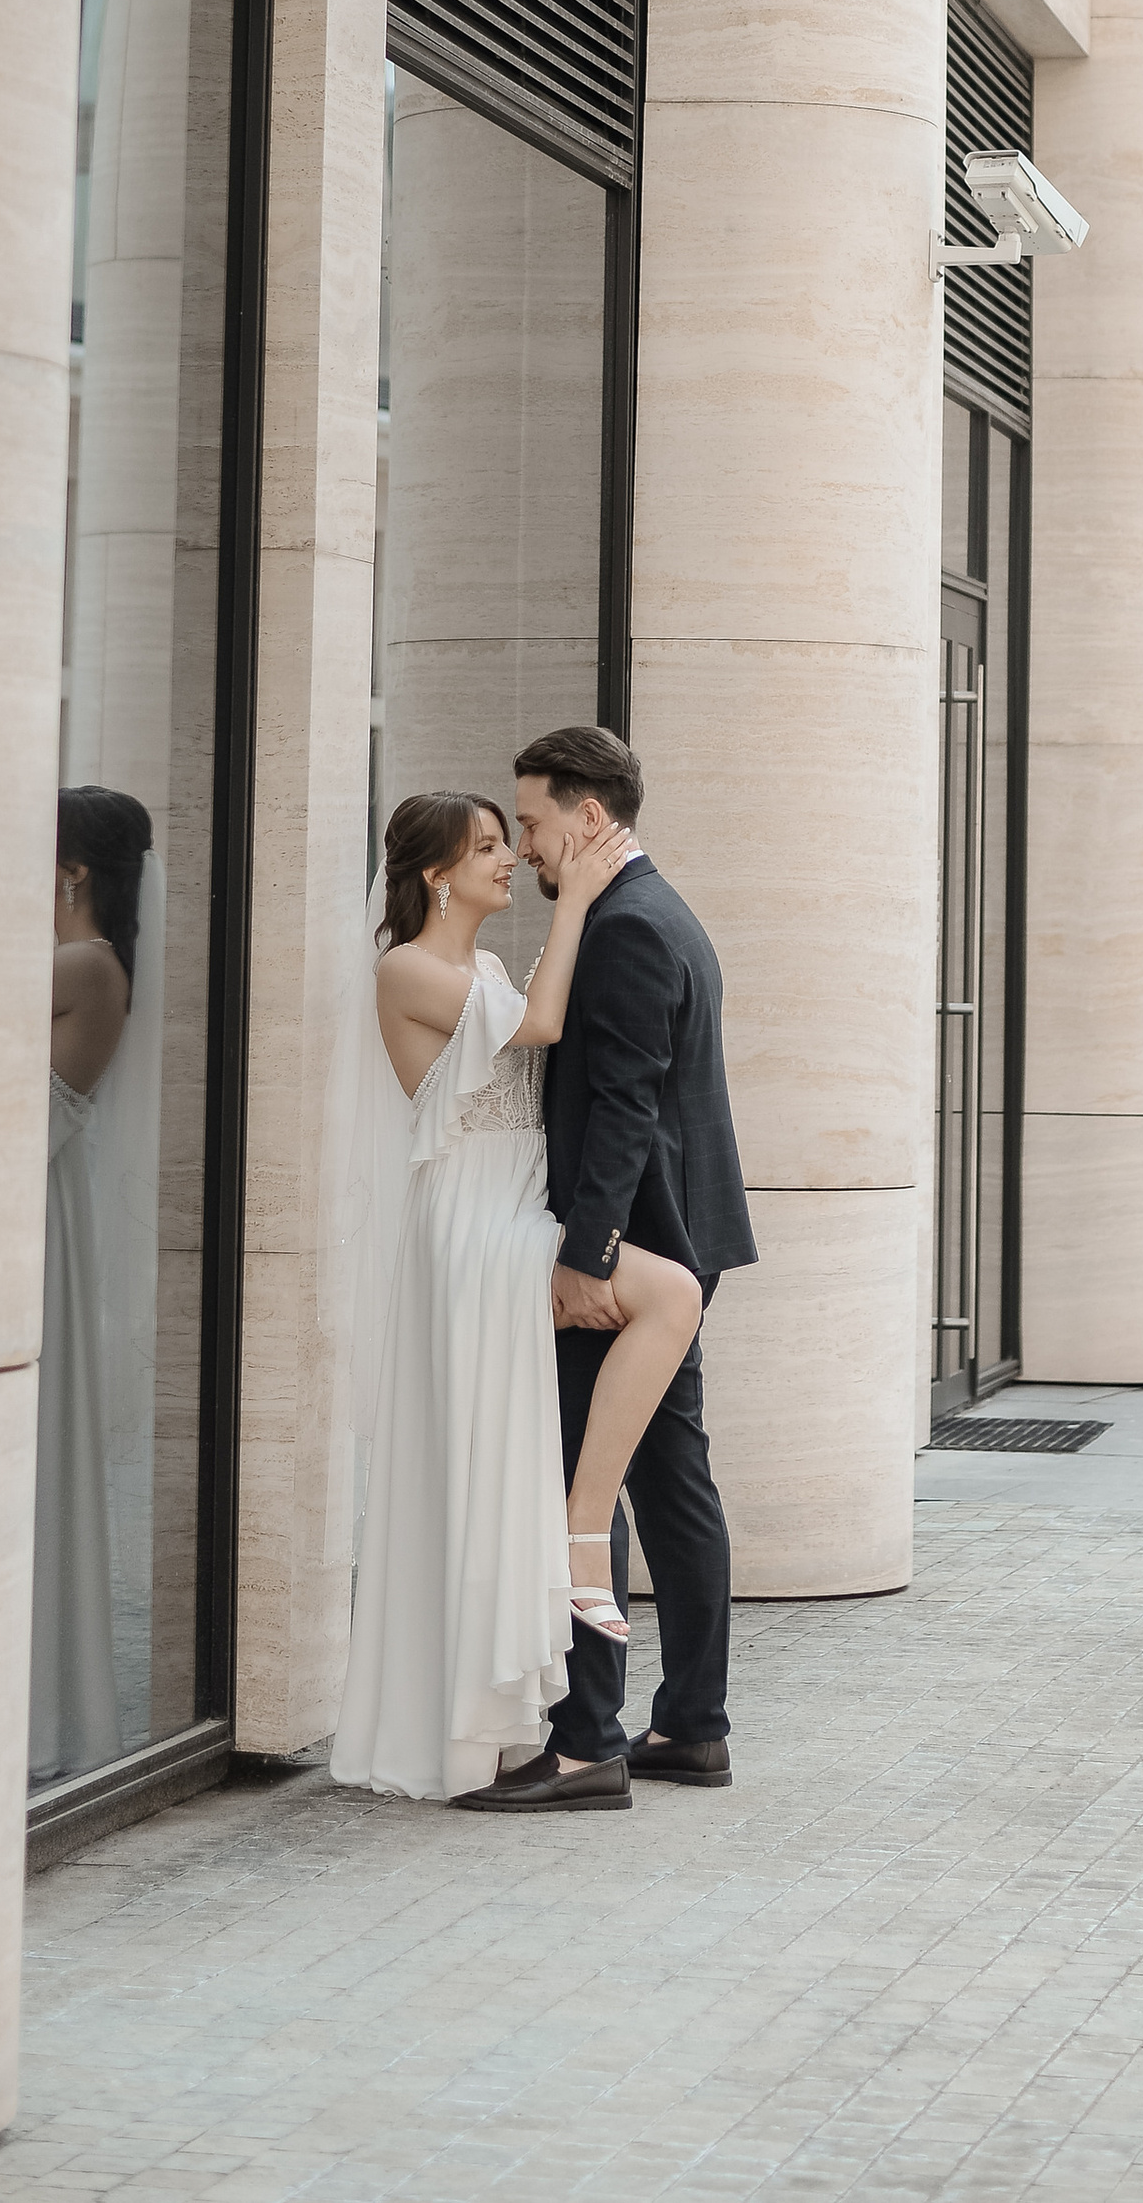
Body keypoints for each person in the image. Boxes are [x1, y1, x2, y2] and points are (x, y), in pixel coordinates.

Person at [327, 788, 704, 1804]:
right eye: (485, 848)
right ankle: (586, 1522)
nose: (506, 861)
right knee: (669, 1295)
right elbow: (541, 1027)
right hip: (472, 1223)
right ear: (432, 874)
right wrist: (577, 893)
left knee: (659, 1309)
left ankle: (579, 1519)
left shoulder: (486, 963)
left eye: (509, 840)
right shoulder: (403, 969)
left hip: (516, 1208)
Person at [447, 723, 758, 1817]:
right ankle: (692, 1724)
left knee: (583, 1484)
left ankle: (586, 1746)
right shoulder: (654, 908)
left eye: (531, 821)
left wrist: (586, 1258)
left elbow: (624, 1103)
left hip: (633, 1252)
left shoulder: (626, 927)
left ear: (588, 816)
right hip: (678, 1239)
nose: (524, 845)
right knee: (671, 1483)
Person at [31, 784, 145, 1784]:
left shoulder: (78, 963)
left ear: (72, 868)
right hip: (44, 1203)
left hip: (34, 1207)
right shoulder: (100, 967)